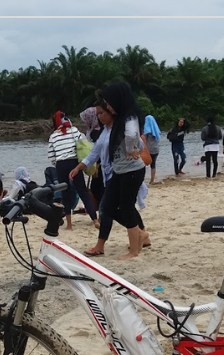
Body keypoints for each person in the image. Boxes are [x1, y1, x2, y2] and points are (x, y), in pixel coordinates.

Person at [70, 82, 152, 260]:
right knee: (106, 206)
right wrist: (79, 167)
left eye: (106, 106)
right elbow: (95, 151)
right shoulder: (113, 124)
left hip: (132, 171)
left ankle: (134, 250)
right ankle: (141, 234)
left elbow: (132, 135)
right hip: (118, 172)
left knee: (127, 207)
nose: (104, 110)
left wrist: (131, 148)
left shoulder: (129, 117)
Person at [49, 111, 97, 229]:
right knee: (82, 192)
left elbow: (51, 156)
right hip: (73, 163)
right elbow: (83, 144)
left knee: (65, 194)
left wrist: (58, 163)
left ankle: (69, 225)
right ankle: (95, 220)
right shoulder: (74, 131)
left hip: (60, 165)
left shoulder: (53, 136)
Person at [142, 114, 162, 184]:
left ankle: (142, 179)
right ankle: (152, 180)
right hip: (156, 149)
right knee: (153, 165)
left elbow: (144, 140)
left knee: (142, 165)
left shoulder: (147, 130)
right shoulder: (156, 129)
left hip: (148, 150)